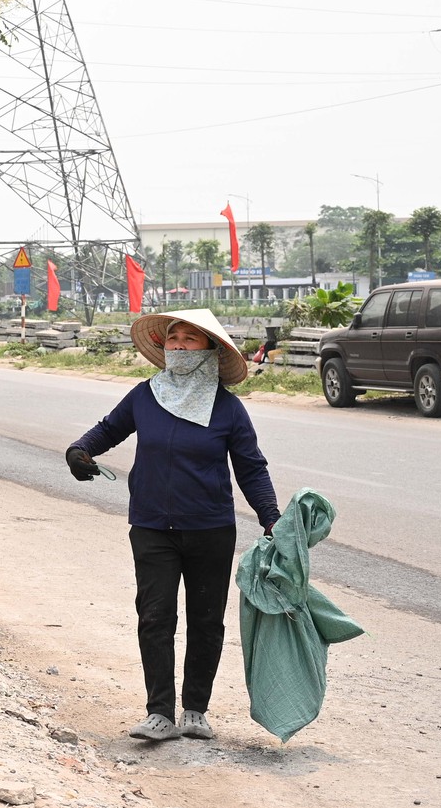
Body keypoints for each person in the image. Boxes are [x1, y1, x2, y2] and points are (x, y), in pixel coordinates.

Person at [65, 309, 280, 743]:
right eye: (173, 338)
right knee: (155, 616)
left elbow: (251, 469)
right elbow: (109, 429)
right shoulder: (145, 396)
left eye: (190, 339)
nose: (179, 346)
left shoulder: (228, 409)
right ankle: (159, 712)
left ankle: (196, 709)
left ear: (210, 351)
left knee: (206, 620)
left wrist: (271, 518)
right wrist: (79, 450)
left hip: (210, 529)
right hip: (151, 526)